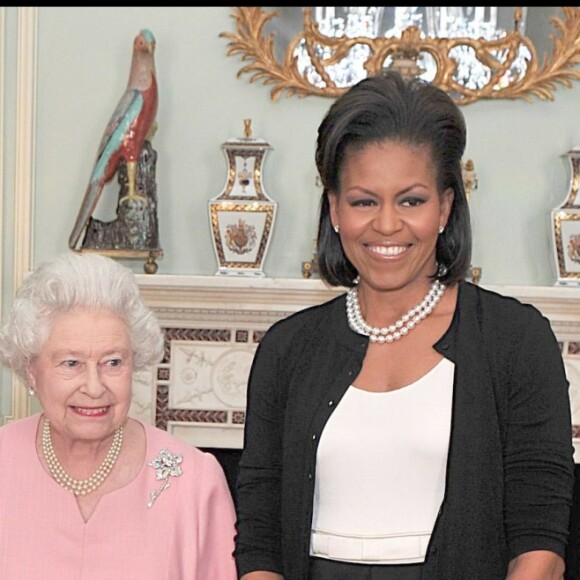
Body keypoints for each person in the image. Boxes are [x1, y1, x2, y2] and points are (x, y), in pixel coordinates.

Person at [233, 71, 575, 580]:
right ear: (334, 210)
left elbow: (541, 536)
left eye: (411, 200)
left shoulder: (514, 340)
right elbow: (259, 536)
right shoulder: (288, 349)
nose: (387, 225)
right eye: (363, 201)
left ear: (445, 207)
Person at [0, 251, 237, 579]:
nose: (95, 387)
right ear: (31, 371)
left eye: (113, 362)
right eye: (72, 363)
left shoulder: (195, 484)